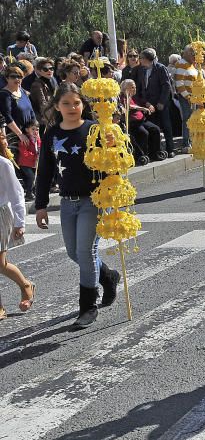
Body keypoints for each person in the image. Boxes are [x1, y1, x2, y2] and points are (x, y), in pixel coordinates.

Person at [34, 83, 121, 329]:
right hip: (66, 202)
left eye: (76, 103)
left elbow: (114, 164)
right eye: (66, 103)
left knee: (86, 252)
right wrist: (40, 205)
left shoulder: (95, 129)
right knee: (74, 253)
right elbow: (45, 171)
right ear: (57, 106)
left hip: (92, 201)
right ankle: (108, 276)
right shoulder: (51, 134)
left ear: (84, 104)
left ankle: (88, 307)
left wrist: (113, 146)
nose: (72, 108)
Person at [0, 134, 34, 319]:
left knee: (0, 263)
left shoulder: (3, 164)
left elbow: (17, 193)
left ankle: (25, 285)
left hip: (1, 213)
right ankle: (25, 285)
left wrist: (20, 222)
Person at [136, 48, 176, 158]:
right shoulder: (142, 70)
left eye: (142, 58)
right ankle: (155, 151)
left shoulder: (160, 68)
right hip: (149, 104)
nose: (140, 60)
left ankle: (170, 149)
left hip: (161, 103)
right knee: (154, 127)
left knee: (166, 126)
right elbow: (142, 87)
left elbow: (166, 86)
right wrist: (145, 102)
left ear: (148, 59)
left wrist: (162, 102)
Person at [119, 80, 162, 164]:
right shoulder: (123, 97)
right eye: (132, 87)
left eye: (135, 87)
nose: (134, 89)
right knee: (144, 133)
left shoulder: (135, 96)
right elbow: (128, 106)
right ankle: (142, 155)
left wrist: (149, 105)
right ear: (125, 89)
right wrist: (141, 108)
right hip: (132, 122)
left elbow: (143, 101)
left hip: (142, 120)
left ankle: (155, 152)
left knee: (155, 129)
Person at [0, 63, 36, 161]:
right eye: (13, 77)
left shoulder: (23, 92)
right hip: (14, 137)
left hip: (28, 134)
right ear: (7, 78)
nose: (17, 79)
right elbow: (7, 117)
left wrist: (34, 131)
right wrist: (20, 134)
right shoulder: (4, 95)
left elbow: (31, 111)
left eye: (19, 76)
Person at [15, 119, 40, 201]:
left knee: (35, 178)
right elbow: (24, 153)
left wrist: (40, 151)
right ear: (26, 130)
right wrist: (35, 156)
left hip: (33, 163)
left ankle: (33, 192)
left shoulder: (37, 139)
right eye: (33, 129)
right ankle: (28, 194)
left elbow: (40, 147)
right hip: (24, 163)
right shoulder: (24, 140)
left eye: (37, 129)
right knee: (32, 177)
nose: (35, 131)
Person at [28, 58, 57, 124]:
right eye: (45, 69)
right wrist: (50, 121)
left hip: (53, 115)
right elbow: (42, 104)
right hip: (43, 119)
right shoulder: (37, 85)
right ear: (40, 71)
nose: (49, 71)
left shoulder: (53, 81)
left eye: (51, 68)